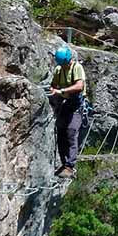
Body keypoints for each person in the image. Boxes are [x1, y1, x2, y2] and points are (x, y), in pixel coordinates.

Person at [48, 46, 86, 179]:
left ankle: (70, 166)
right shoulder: (59, 69)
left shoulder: (76, 67)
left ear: (69, 60)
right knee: (61, 133)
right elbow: (53, 84)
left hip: (76, 106)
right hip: (65, 104)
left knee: (71, 132)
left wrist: (61, 91)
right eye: (62, 64)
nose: (64, 66)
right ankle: (64, 164)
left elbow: (79, 86)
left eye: (65, 64)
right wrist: (52, 89)